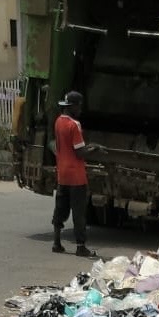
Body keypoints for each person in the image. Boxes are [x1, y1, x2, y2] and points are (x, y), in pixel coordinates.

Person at [52, 91, 103, 257]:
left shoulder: (58, 122)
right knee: (79, 213)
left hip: (63, 174)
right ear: (72, 106)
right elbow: (80, 152)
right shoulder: (74, 125)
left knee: (60, 208)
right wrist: (95, 148)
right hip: (76, 176)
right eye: (79, 105)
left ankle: (57, 243)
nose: (80, 109)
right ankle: (81, 246)